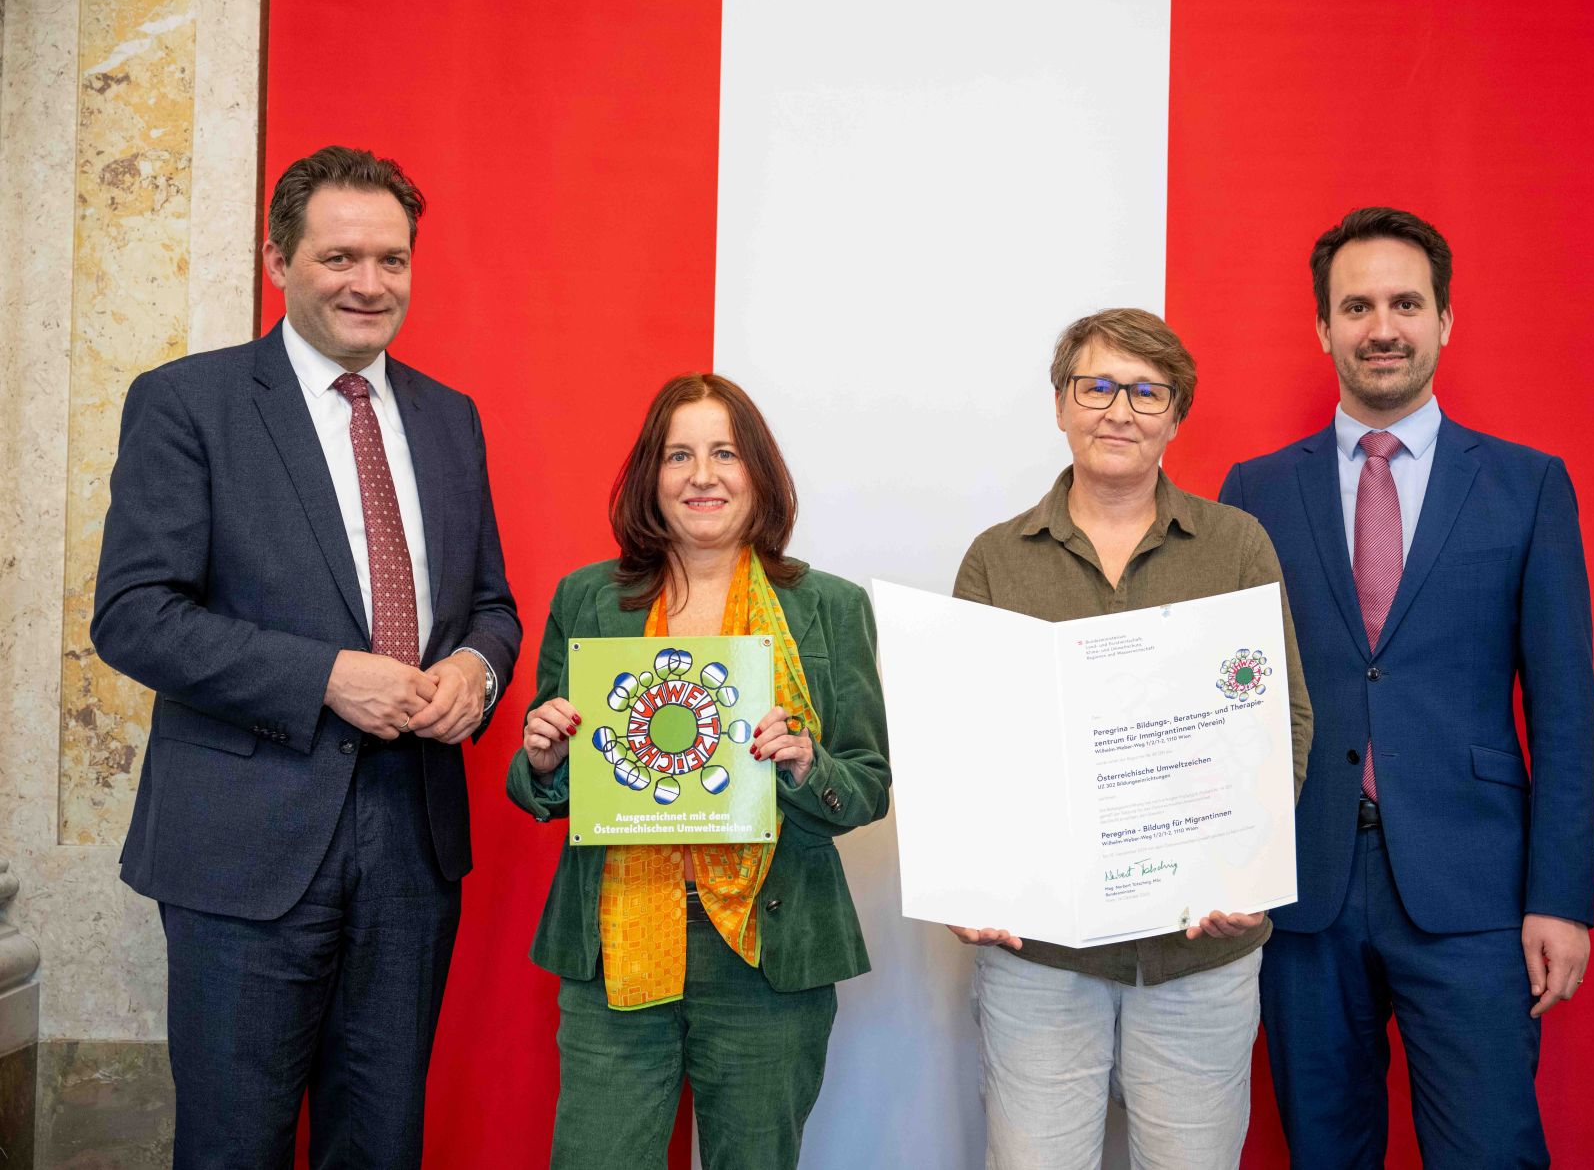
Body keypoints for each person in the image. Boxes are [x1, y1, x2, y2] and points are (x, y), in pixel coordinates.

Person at [90, 146, 520, 1168]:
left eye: (391, 259)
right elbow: (134, 614)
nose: (369, 284)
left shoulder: (449, 418)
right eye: (338, 257)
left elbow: (492, 604)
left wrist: (478, 672)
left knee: (378, 1145)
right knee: (235, 1146)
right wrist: (324, 676)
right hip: (244, 853)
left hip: (412, 849)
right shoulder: (188, 403)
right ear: (277, 258)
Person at [1219, 206, 1594, 1168]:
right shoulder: (1256, 492)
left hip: (1475, 893)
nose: (1381, 325)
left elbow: (1565, 713)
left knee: (1490, 1149)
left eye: (1404, 302)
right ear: (1324, 328)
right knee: (1325, 1150)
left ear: (1444, 320)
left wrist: (1562, 898)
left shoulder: (1528, 485)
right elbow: (1228, 702)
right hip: (1305, 893)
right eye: (1357, 305)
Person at [948, 308, 1313, 1170]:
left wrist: (1244, 861)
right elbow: (965, 742)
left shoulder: (1235, 546)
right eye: (1098, 386)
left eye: (1147, 392)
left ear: (1176, 416)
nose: (1120, 410)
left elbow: (1284, 719)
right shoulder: (997, 559)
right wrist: (970, 875)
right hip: (1041, 955)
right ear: (1062, 404)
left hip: (1200, 951)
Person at [507, 373, 890, 1170]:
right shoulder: (589, 599)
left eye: (725, 452)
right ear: (652, 475)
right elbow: (547, 775)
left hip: (767, 948)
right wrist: (543, 757)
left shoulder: (828, 606)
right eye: (680, 454)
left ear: (759, 472)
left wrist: (805, 759)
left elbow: (866, 784)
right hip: (617, 940)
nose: (703, 474)